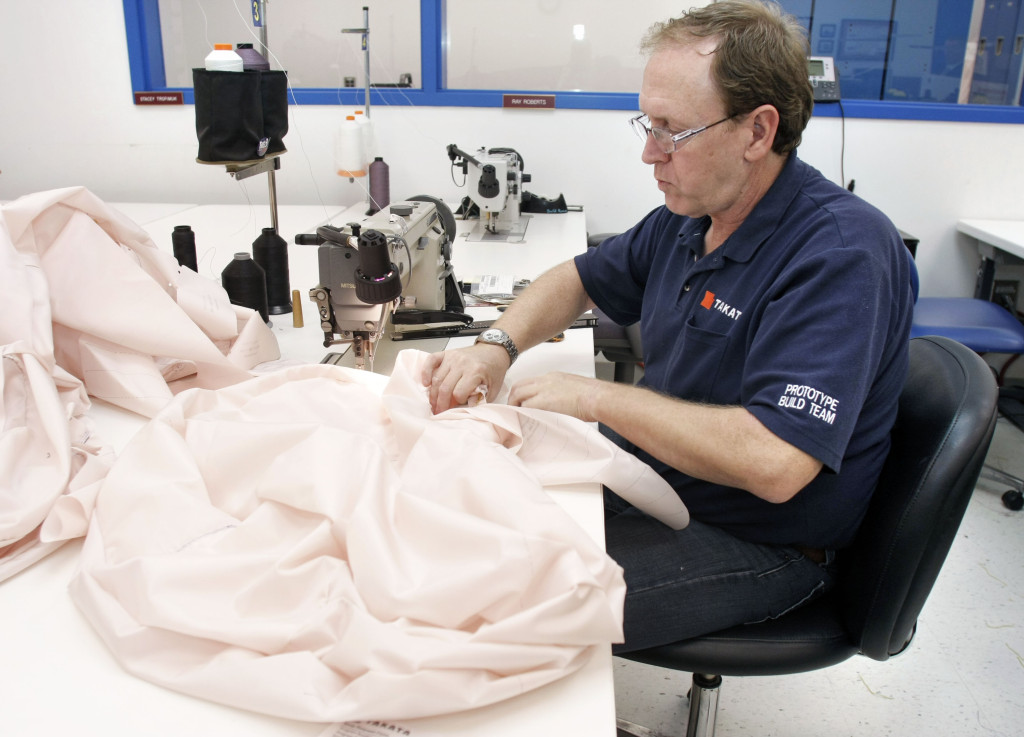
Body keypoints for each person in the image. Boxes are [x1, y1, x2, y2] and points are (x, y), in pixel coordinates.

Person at [421, 0, 915, 653]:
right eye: (647, 125)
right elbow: (575, 279)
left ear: (757, 132)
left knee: (496, 613)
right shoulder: (689, 217)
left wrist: (597, 396)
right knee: (457, 523)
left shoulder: (841, 253)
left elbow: (776, 461)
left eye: (672, 131)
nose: (650, 154)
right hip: (650, 480)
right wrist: (497, 344)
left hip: (759, 541)